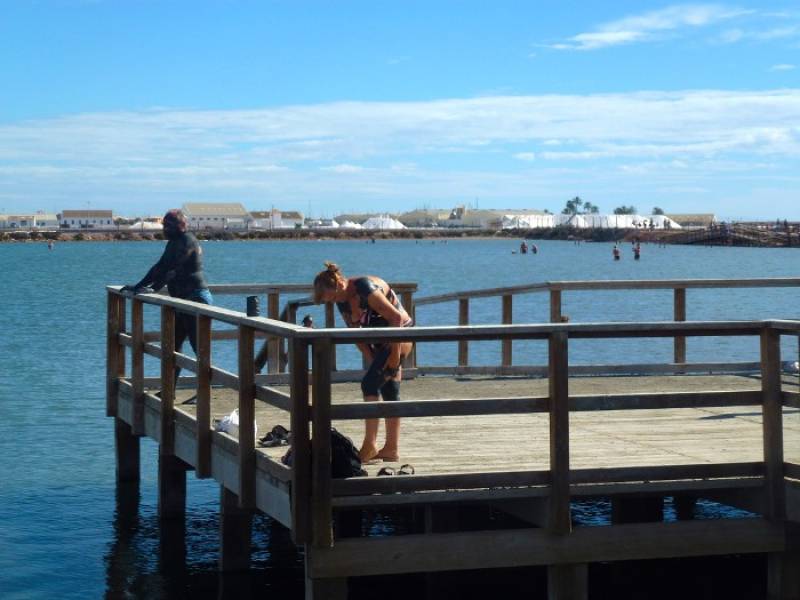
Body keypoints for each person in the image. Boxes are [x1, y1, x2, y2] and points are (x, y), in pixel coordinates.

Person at [313, 262, 413, 462]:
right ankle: (391, 449)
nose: (333, 302)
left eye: (332, 297)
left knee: (369, 384)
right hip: (379, 342)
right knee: (389, 390)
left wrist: (394, 355)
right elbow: (356, 334)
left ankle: (370, 445)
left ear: (340, 284)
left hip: (399, 337)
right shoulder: (342, 300)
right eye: (329, 301)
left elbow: (396, 319)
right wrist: (371, 358)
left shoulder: (365, 288)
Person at [121, 209, 212, 398]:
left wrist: (154, 288)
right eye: (164, 225)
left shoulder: (188, 241)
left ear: (180, 226)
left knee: (199, 348)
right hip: (180, 300)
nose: (164, 229)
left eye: (168, 226)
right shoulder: (173, 243)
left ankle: (205, 391)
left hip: (195, 298)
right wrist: (138, 286)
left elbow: (173, 269)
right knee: (173, 346)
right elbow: (160, 266)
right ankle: (169, 391)